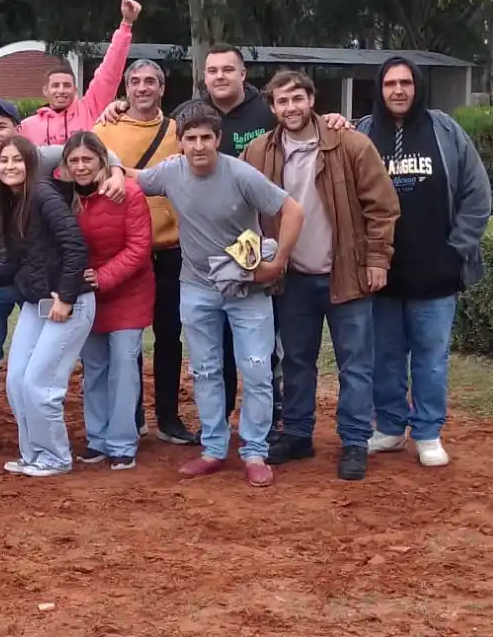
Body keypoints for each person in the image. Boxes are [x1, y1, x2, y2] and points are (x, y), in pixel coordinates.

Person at [101, 45, 351, 428]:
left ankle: (263, 432)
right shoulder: (182, 131)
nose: (219, 76)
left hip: (254, 254)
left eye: (227, 69)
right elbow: (141, 171)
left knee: (263, 359)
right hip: (199, 273)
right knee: (209, 363)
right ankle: (218, 435)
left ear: (242, 73)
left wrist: (333, 119)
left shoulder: (260, 122)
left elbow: (299, 124)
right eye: (212, 70)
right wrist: (115, 165)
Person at [0, 97, 127, 453]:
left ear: (18, 132)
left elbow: (93, 151)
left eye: (0, 126)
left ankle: (52, 434)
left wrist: (116, 172)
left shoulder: (42, 158)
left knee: (45, 363)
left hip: (42, 273)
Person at [128, 102, 305, 485]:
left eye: (206, 137)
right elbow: (131, 177)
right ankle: (212, 447)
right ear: (179, 144)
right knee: (205, 371)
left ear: (218, 139)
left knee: (257, 370)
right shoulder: (170, 173)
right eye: (190, 139)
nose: (198, 146)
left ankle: (255, 451)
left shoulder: (241, 174)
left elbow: (293, 211)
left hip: (246, 288)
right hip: (197, 287)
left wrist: (278, 264)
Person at [242, 70, 400, 481]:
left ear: (311, 99)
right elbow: (239, 203)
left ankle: (353, 441)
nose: (290, 108)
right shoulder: (259, 151)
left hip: (345, 273)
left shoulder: (350, 144)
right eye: (282, 102)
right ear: (273, 107)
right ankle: (297, 434)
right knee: (295, 361)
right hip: (291, 277)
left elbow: (381, 208)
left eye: (297, 98)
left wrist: (377, 260)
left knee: (355, 365)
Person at [357, 56, 492, 467]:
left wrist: (458, 248)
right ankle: (391, 428)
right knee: (385, 357)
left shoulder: (445, 130)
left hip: (436, 272)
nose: (398, 91)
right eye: (390, 84)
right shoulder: (363, 131)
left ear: (417, 87)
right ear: (379, 89)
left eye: (406, 83)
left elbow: (477, 192)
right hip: (381, 273)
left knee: (431, 360)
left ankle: (429, 432)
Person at [0, 136, 95, 477]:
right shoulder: (10, 203)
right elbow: (20, 264)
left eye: (17, 160)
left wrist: (65, 297)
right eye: (3, 161)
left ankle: (57, 456)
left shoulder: (44, 196)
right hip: (38, 302)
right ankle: (33, 453)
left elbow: (75, 247)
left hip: (68, 303)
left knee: (39, 384)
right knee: (16, 381)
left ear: (30, 164)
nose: (9, 166)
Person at [94, 58, 198, 446]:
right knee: (127, 337)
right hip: (124, 252)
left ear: (162, 88)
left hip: (172, 249)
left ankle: (169, 417)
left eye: (150, 81)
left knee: (170, 336)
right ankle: (131, 414)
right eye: (135, 81)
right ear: (125, 88)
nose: (142, 88)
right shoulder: (105, 128)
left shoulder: (179, 131)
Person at [53, 132, 154, 471]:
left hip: (127, 292)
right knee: (94, 368)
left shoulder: (128, 193)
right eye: (74, 161)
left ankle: (123, 442)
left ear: (102, 161)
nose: (81, 167)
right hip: (86, 294)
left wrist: (105, 277)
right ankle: (97, 438)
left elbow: (139, 247)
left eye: (88, 159)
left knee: (124, 367)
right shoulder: (63, 196)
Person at [18, 0, 139, 146]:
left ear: (75, 90)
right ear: (45, 90)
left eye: (67, 85)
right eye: (55, 85)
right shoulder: (27, 127)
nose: (61, 90)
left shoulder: (90, 109)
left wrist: (126, 24)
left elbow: (109, 74)